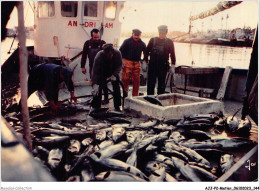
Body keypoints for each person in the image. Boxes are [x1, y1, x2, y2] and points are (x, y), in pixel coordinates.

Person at [145, 25, 176, 95]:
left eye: (163, 33)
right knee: (150, 84)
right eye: (160, 33)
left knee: (161, 85)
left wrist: (173, 65)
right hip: (152, 66)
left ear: (166, 32)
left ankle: (160, 99)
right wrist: (145, 62)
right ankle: (150, 100)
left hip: (163, 66)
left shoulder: (169, 42)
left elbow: (172, 54)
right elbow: (146, 52)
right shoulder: (152, 40)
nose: (161, 35)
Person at [91, 44, 123, 111]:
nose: (109, 56)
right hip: (102, 72)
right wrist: (95, 84)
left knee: (116, 87)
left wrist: (114, 75)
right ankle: (96, 107)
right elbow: (95, 71)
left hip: (113, 71)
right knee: (98, 89)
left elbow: (119, 65)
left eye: (110, 55)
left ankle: (118, 106)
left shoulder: (117, 53)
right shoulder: (99, 56)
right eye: (107, 55)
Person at [80, 28, 109, 104]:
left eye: (98, 37)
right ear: (91, 36)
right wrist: (82, 66)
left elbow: (108, 56)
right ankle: (96, 98)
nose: (96, 39)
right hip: (92, 66)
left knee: (104, 83)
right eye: (95, 37)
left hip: (102, 66)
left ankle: (106, 99)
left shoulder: (103, 43)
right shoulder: (87, 43)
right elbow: (84, 55)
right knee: (94, 82)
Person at [119, 29, 147, 96]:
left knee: (136, 81)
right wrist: (122, 61)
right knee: (125, 80)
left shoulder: (142, 44)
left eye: (138, 35)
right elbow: (120, 52)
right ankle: (124, 95)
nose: (136, 37)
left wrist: (145, 62)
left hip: (137, 64)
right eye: (135, 35)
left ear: (140, 35)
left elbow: (145, 54)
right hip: (127, 62)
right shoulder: (126, 41)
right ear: (132, 34)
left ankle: (135, 96)